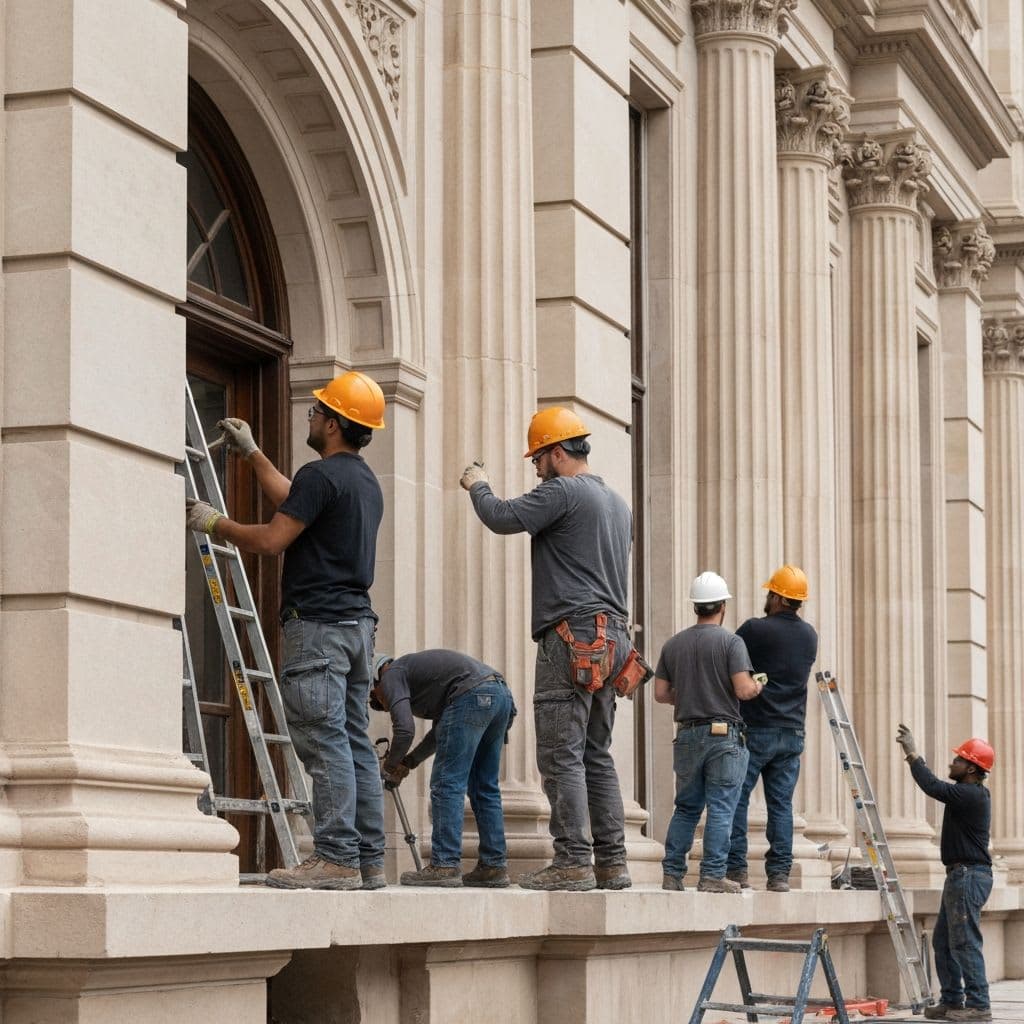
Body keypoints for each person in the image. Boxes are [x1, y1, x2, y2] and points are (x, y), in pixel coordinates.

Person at [185, 371, 387, 892]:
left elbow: (276, 538)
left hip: (317, 628)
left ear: (337, 424)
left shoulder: (322, 477)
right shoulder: (362, 481)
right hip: (356, 627)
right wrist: (253, 453)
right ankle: (366, 860)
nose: (311, 416)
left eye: (319, 411)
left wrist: (215, 523)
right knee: (351, 742)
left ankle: (335, 858)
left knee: (324, 746)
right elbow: (296, 502)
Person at [459, 407, 634, 892]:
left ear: (558, 452)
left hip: (572, 637)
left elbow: (501, 516)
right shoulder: (618, 503)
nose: (536, 469)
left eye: (538, 458)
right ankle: (612, 862)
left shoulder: (563, 490)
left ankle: (573, 862)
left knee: (561, 753)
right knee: (596, 753)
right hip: (613, 639)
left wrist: (479, 484)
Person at [654, 571, 763, 893]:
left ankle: (672, 873)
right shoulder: (732, 642)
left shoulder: (673, 644)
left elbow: (661, 693)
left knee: (686, 807)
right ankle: (713, 875)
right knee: (721, 807)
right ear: (723, 607)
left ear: (695, 607)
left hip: (687, 735)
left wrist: (688, 694)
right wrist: (756, 686)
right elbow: (743, 690)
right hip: (722, 736)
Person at [371, 650, 516, 888]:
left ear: (375, 677)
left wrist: (389, 766)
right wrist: (409, 762)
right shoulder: (437, 683)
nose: (383, 705)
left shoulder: (392, 674)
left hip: (473, 695)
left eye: (378, 699)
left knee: (446, 783)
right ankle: (493, 866)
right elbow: (441, 733)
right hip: (500, 696)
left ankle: (444, 864)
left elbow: (405, 729)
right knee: (484, 787)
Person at [726, 564, 818, 892]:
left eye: (770, 593)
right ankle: (779, 874)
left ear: (778, 597)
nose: (767, 597)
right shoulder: (810, 636)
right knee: (781, 804)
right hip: (792, 732)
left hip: (757, 728)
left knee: (736, 798)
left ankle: (735, 869)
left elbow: (729, 660)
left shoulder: (755, 630)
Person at [897, 725, 995, 1022]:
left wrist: (913, 754)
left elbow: (932, 786)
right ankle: (952, 999)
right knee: (944, 941)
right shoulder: (969, 792)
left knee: (965, 942)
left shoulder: (971, 795)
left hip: (968, 876)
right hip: (961, 876)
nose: (952, 764)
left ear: (971, 769)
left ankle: (979, 1005)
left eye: (958, 760)